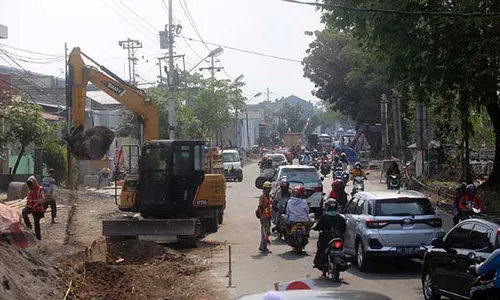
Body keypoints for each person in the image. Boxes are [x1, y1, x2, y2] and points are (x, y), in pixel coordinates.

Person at [313, 199, 347, 271]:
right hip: (338, 238)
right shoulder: (341, 218)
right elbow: (344, 229)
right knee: (342, 249)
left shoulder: (324, 217)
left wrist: (315, 228)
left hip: (326, 238)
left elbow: (318, 226)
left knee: (321, 248)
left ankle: (319, 263)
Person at [22, 176, 46, 240]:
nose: (30, 186)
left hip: (38, 209)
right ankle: (29, 226)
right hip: (31, 207)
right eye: (29, 185)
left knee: (36, 223)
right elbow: (29, 199)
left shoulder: (40, 189)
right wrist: (27, 205)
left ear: (34, 183)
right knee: (24, 212)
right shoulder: (30, 190)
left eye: (31, 184)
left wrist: (38, 203)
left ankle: (38, 238)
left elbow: (43, 199)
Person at [258, 181, 273, 253]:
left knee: (267, 233)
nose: (269, 190)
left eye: (270, 188)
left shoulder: (268, 196)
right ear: (264, 189)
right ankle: (264, 248)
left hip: (268, 216)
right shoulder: (262, 197)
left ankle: (262, 246)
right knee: (265, 233)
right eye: (267, 188)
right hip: (264, 217)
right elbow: (260, 207)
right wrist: (261, 217)